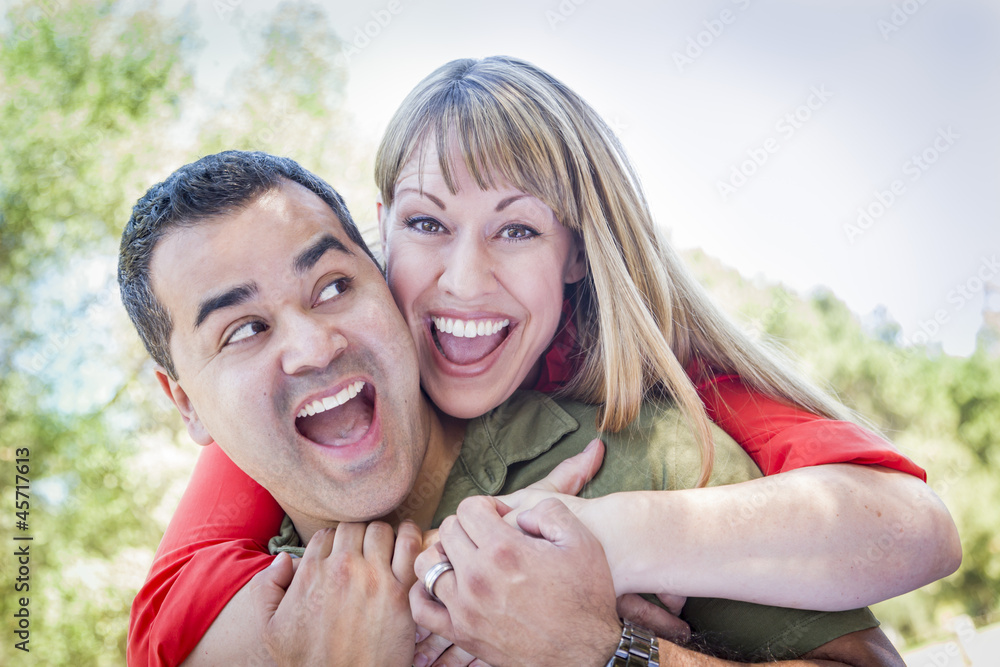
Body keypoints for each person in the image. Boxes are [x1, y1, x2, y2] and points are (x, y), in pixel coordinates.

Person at [126, 57, 959, 665]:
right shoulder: (260, 549)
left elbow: (911, 531)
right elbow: (164, 619)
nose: (463, 277)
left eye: (517, 228)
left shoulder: (648, 431)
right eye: (425, 224)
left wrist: (605, 634)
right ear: (387, 237)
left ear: (577, 253)